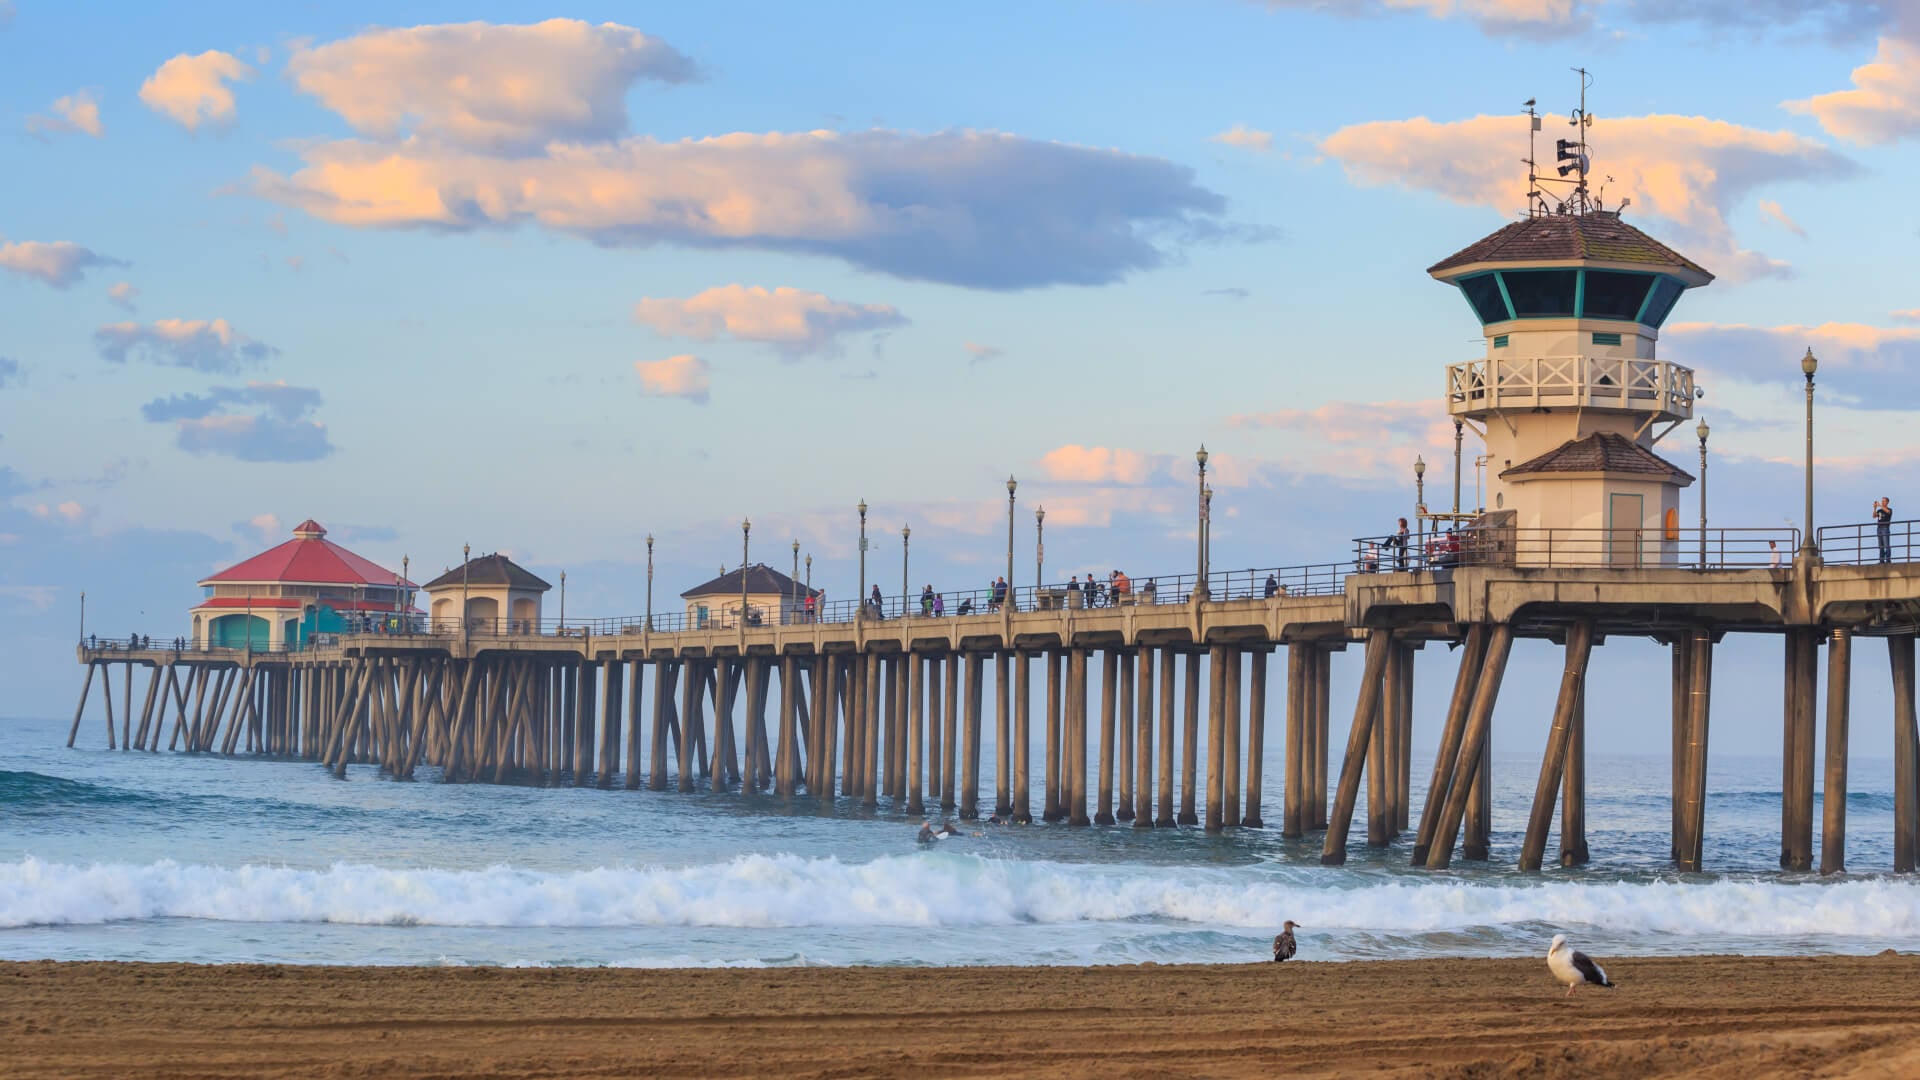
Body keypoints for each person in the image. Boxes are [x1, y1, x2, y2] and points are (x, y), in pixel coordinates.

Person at [1876, 497, 1894, 564]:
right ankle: (1881, 560)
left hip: (1885, 528)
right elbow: (1874, 515)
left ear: (1887, 502)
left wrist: (1880, 505)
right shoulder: (1879, 510)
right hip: (1879, 528)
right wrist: (1875, 508)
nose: (1882, 502)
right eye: (1882, 501)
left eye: (1884, 501)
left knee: (1886, 545)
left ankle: (1888, 560)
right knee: (1881, 546)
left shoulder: (1889, 509)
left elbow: (1888, 512)